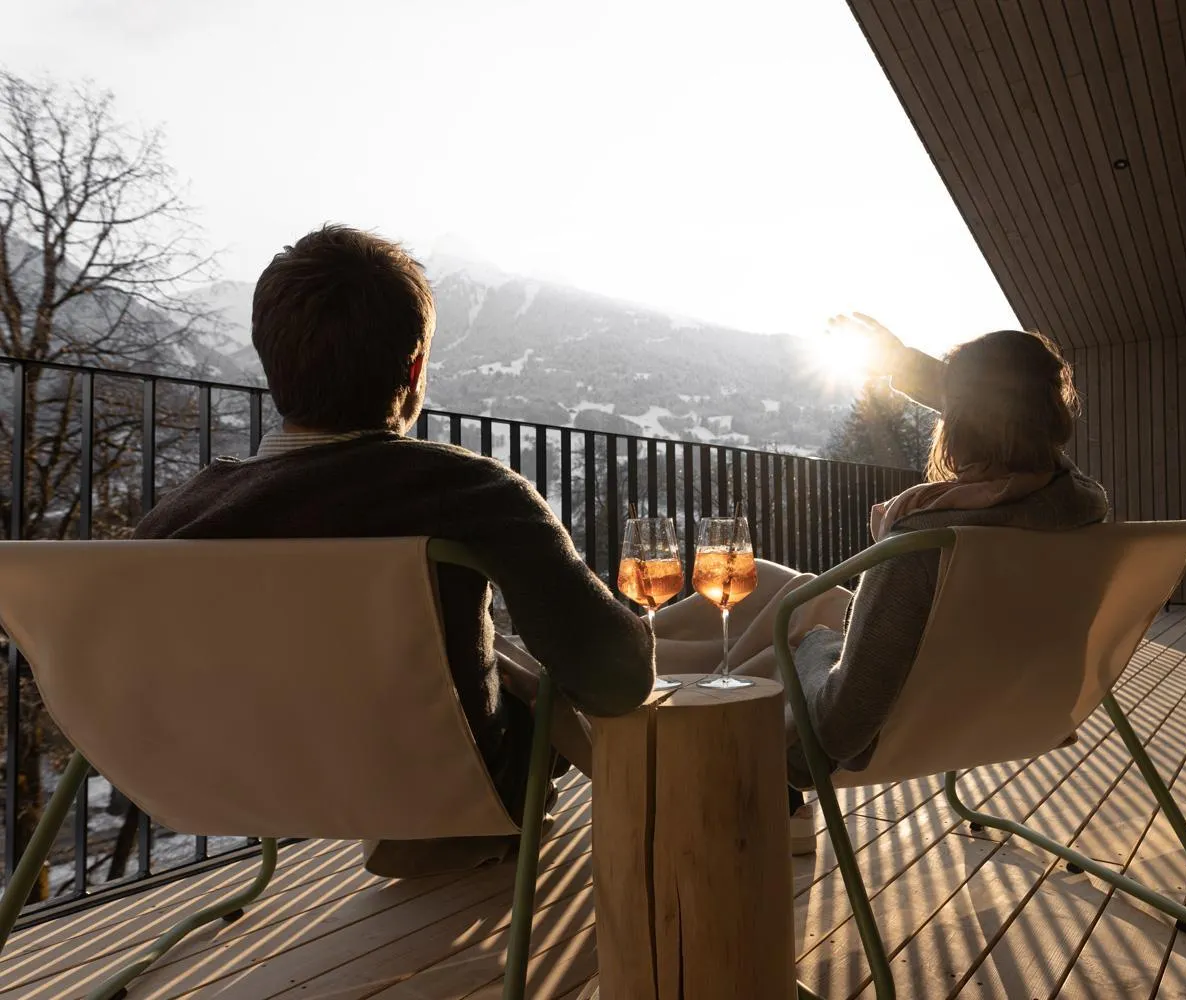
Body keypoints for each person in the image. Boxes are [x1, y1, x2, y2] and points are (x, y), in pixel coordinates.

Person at [134, 225, 654, 877]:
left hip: (237, 785)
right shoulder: (470, 491)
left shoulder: (175, 523)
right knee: (541, 673)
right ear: (413, 369)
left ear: (272, 363)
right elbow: (618, 679)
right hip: (464, 783)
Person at [654, 314, 1109, 854]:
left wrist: (814, 643)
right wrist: (904, 362)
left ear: (959, 422)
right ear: (1052, 418)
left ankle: (644, 668)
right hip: (998, 700)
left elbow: (842, 728)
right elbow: (1007, 414)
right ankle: (651, 648)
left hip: (856, 731)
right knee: (789, 586)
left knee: (789, 626)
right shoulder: (1075, 508)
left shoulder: (927, 541)